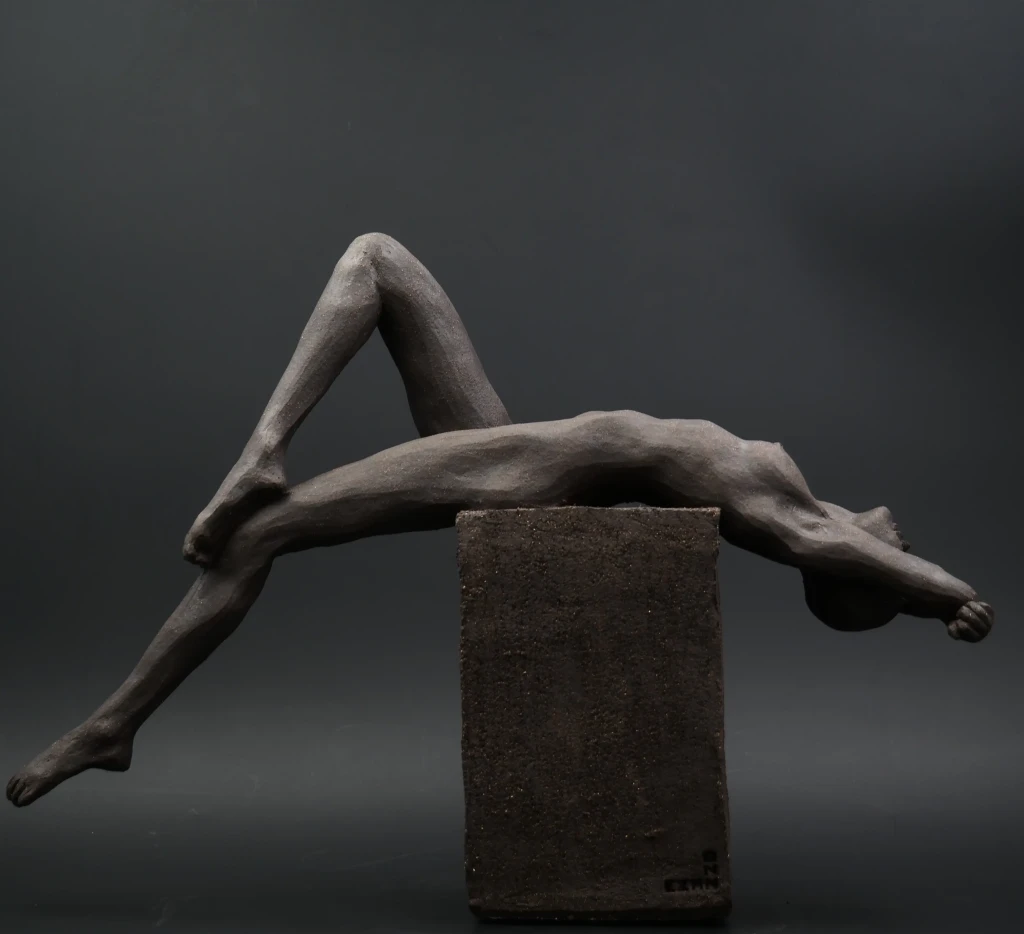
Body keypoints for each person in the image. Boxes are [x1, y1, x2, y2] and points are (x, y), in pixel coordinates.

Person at [6, 233, 993, 809]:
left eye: (891, 553)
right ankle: (261, 447)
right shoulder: (785, 491)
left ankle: (114, 723)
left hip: (522, 477)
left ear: (854, 567)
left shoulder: (782, 511)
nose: (897, 532)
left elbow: (826, 542)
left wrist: (946, 592)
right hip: (518, 445)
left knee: (260, 532)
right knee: (379, 259)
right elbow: (845, 549)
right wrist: (926, 595)